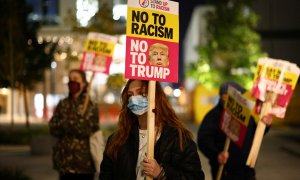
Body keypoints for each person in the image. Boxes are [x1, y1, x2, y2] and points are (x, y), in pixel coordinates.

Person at [99, 79, 205, 180]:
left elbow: (195, 177)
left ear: (156, 96)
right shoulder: (117, 139)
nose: (134, 98)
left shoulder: (178, 138)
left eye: (141, 93)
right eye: (130, 95)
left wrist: (161, 173)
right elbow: (106, 175)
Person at [197, 81, 273, 180]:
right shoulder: (213, 116)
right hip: (225, 173)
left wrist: (264, 125)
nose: (242, 98)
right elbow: (203, 140)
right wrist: (216, 154)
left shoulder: (245, 115)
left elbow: (254, 134)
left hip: (247, 172)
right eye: (238, 95)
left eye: (241, 95)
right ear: (224, 96)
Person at [49, 69, 100, 180]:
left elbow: (86, 129)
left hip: (84, 164)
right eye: (70, 79)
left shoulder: (91, 105)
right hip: (64, 163)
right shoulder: (63, 104)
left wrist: (64, 123)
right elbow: (53, 127)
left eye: (76, 79)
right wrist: (74, 123)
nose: (72, 82)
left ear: (84, 83)